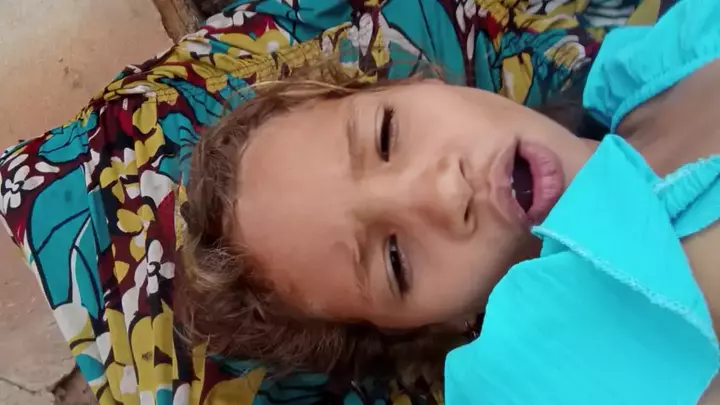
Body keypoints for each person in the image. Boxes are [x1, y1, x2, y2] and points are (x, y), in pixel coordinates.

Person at [0, 1, 670, 404]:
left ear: (415, 83)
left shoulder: (662, 58)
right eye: (396, 260)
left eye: (387, 135)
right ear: (438, 327)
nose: (445, 191)